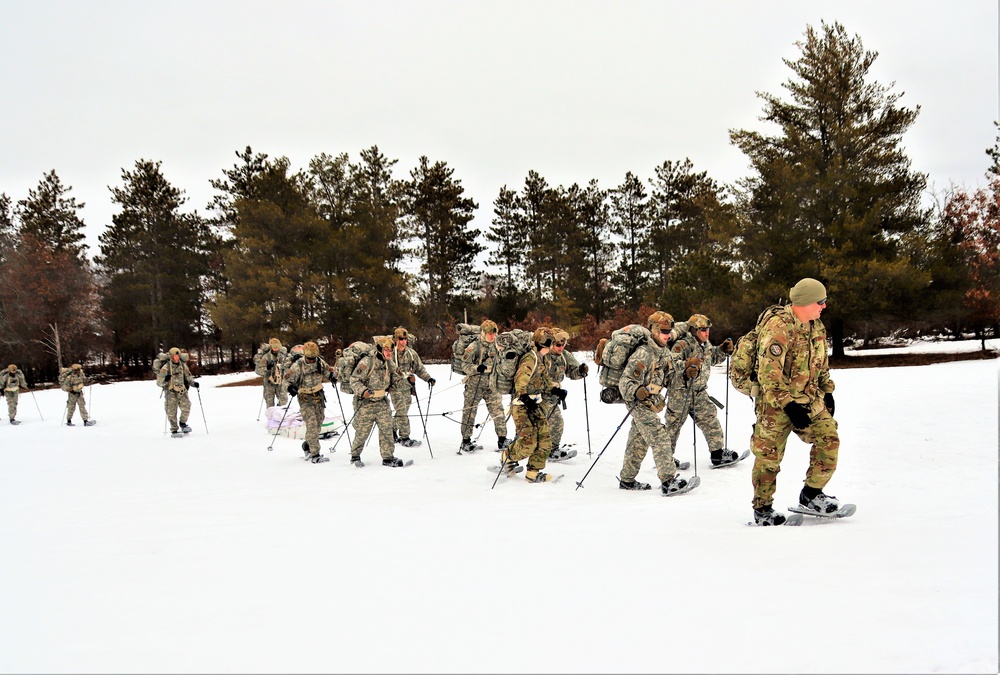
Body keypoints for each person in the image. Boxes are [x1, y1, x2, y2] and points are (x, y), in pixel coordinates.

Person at [750, 278, 841, 526]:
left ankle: (811, 494)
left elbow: (821, 365)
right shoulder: (779, 328)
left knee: (829, 438)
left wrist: (827, 391)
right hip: (775, 405)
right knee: (768, 458)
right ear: (805, 302)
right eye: (820, 302)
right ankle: (763, 508)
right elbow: (769, 375)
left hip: (809, 400)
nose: (824, 306)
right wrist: (789, 405)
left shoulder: (817, 327)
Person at [616, 311, 691, 494]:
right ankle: (668, 480)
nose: (667, 335)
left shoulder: (663, 351)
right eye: (664, 331)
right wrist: (636, 390)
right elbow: (624, 383)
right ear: (654, 331)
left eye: (669, 331)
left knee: (638, 440)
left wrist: (688, 367)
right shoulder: (643, 353)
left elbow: (673, 368)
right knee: (659, 436)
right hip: (639, 403)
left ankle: (627, 479)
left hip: (651, 402)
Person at [664, 314, 738, 467]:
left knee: (710, 419)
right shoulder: (683, 344)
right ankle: (666, 461)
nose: (707, 333)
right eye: (703, 330)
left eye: (708, 329)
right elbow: (670, 363)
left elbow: (712, 359)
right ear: (694, 330)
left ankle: (717, 454)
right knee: (673, 426)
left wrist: (722, 350)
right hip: (680, 392)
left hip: (698, 392)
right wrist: (686, 366)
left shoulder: (705, 345)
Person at [499, 327, 565, 482]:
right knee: (528, 443)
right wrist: (525, 398)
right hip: (522, 406)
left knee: (545, 441)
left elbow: (544, 380)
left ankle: (533, 473)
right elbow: (520, 381)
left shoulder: (541, 358)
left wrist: (555, 390)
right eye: (550, 341)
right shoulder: (531, 358)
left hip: (537, 404)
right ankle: (507, 457)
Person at [347, 336, 409, 467]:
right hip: (366, 403)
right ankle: (355, 456)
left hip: (381, 402)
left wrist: (407, 379)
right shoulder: (367, 362)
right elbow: (354, 380)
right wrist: (363, 391)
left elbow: (396, 377)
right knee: (362, 432)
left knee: (387, 429)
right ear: (380, 349)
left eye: (391, 351)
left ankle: (388, 457)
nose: (389, 353)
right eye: (386, 350)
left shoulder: (388, 363)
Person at [459, 319, 509, 452]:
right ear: (483, 333)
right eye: (489, 334)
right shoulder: (474, 347)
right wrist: (477, 368)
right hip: (475, 386)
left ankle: (502, 439)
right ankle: (466, 440)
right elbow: (465, 365)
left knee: (498, 412)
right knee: (469, 412)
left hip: (492, 385)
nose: (492, 336)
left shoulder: (498, 345)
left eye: (494, 333)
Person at [285, 341, 335, 464]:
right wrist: (290, 387)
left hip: (318, 397)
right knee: (312, 425)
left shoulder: (320, 362)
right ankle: (315, 454)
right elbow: (286, 380)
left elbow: (329, 371)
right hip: (305, 399)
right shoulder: (298, 365)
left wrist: (333, 376)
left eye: (313, 358)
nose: (312, 361)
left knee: (319, 422)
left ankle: (307, 444)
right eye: (310, 359)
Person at [542, 328, 586, 461]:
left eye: (563, 345)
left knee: (554, 423)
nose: (561, 348)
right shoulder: (543, 355)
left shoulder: (564, 356)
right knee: (544, 425)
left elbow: (572, 372)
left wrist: (581, 371)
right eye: (558, 345)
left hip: (554, 396)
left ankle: (551, 450)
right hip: (538, 395)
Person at [387, 327, 435, 447]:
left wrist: (428, 378)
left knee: (402, 411)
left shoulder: (411, 353)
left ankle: (392, 430)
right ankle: (405, 437)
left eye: (405, 339)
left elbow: (419, 369)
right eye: (401, 339)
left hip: (408, 388)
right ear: (396, 339)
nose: (404, 341)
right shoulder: (390, 354)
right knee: (402, 412)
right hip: (395, 387)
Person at [156, 348, 197, 436]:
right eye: (175, 356)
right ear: (171, 356)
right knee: (171, 411)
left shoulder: (183, 365)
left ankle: (183, 423)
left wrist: (193, 383)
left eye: (178, 356)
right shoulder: (166, 367)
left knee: (187, 407)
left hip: (182, 390)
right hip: (170, 392)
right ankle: (174, 429)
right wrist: (165, 379)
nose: (176, 358)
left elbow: (188, 376)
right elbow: (159, 382)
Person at [255, 337, 289, 408]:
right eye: (274, 347)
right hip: (269, 384)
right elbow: (258, 371)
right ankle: (271, 418)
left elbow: (289, 368)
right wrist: (267, 368)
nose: (276, 348)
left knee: (283, 402)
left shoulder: (284, 356)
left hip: (281, 383)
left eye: (277, 347)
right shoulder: (266, 357)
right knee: (269, 404)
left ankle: (280, 416)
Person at [61, 363, 96, 427]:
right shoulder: (69, 377)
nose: (78, 371)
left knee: (82, 406)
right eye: (77, 370)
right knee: (71, 408)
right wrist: (69, 389)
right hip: (72, 394)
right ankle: (69, 420)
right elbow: (63, 386)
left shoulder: (81, 374)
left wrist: (89, 382)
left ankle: (85, 421)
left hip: (79, 393)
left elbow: (84, 381)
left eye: (79, 369)